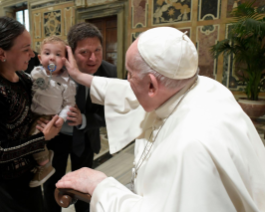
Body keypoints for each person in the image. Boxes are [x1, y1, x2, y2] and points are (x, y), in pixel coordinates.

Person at [56, 27, 265, 211]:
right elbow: (126, 91)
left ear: (152, 86)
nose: (126, 81)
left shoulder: (192, 146)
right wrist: (79, 75)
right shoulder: (202, 87)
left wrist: (100, 187)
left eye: (130, 74)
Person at [0, 17, 61, 212]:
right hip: (8, 179)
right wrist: (42, 138)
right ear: (1, 53)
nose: (32, 54)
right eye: (25, 49)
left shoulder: (23, 78)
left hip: (30, 170)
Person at [44, 22, 117, 212]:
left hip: (85, 138)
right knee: (52, 185)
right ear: (70, 53)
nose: (93, 59)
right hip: (57, 139)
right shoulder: (55, 69)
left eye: (97, 51)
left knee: (85, 189)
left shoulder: (108, 72)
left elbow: (108, 113)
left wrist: (84, 119)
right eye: (84, 52)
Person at [28, 36, 76, 187]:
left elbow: (69, 104)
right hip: (33, 115)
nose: (52, 58)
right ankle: (41, 160)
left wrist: (61, 119)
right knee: (26, 140)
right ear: (40, 57)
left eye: (58, 54)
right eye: (47, 53)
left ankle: (45, 165)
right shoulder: (35, 74)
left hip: (50, 118)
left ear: (65, 60)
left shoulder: (66, 81)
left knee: (34, 138)